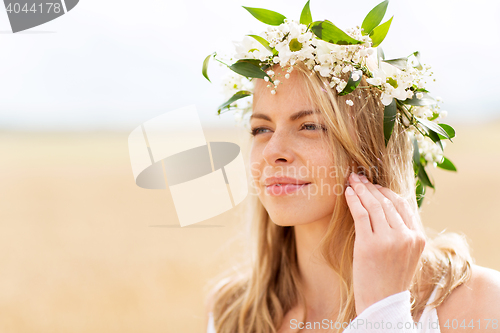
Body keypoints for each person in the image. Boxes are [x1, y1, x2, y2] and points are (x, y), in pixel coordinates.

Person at [201, 3, 500, 332]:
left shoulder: (479, 303)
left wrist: (384, 313)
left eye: (310, 126)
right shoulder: (233, 313)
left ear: (371, 150)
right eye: (261, 129)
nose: (272, 152)